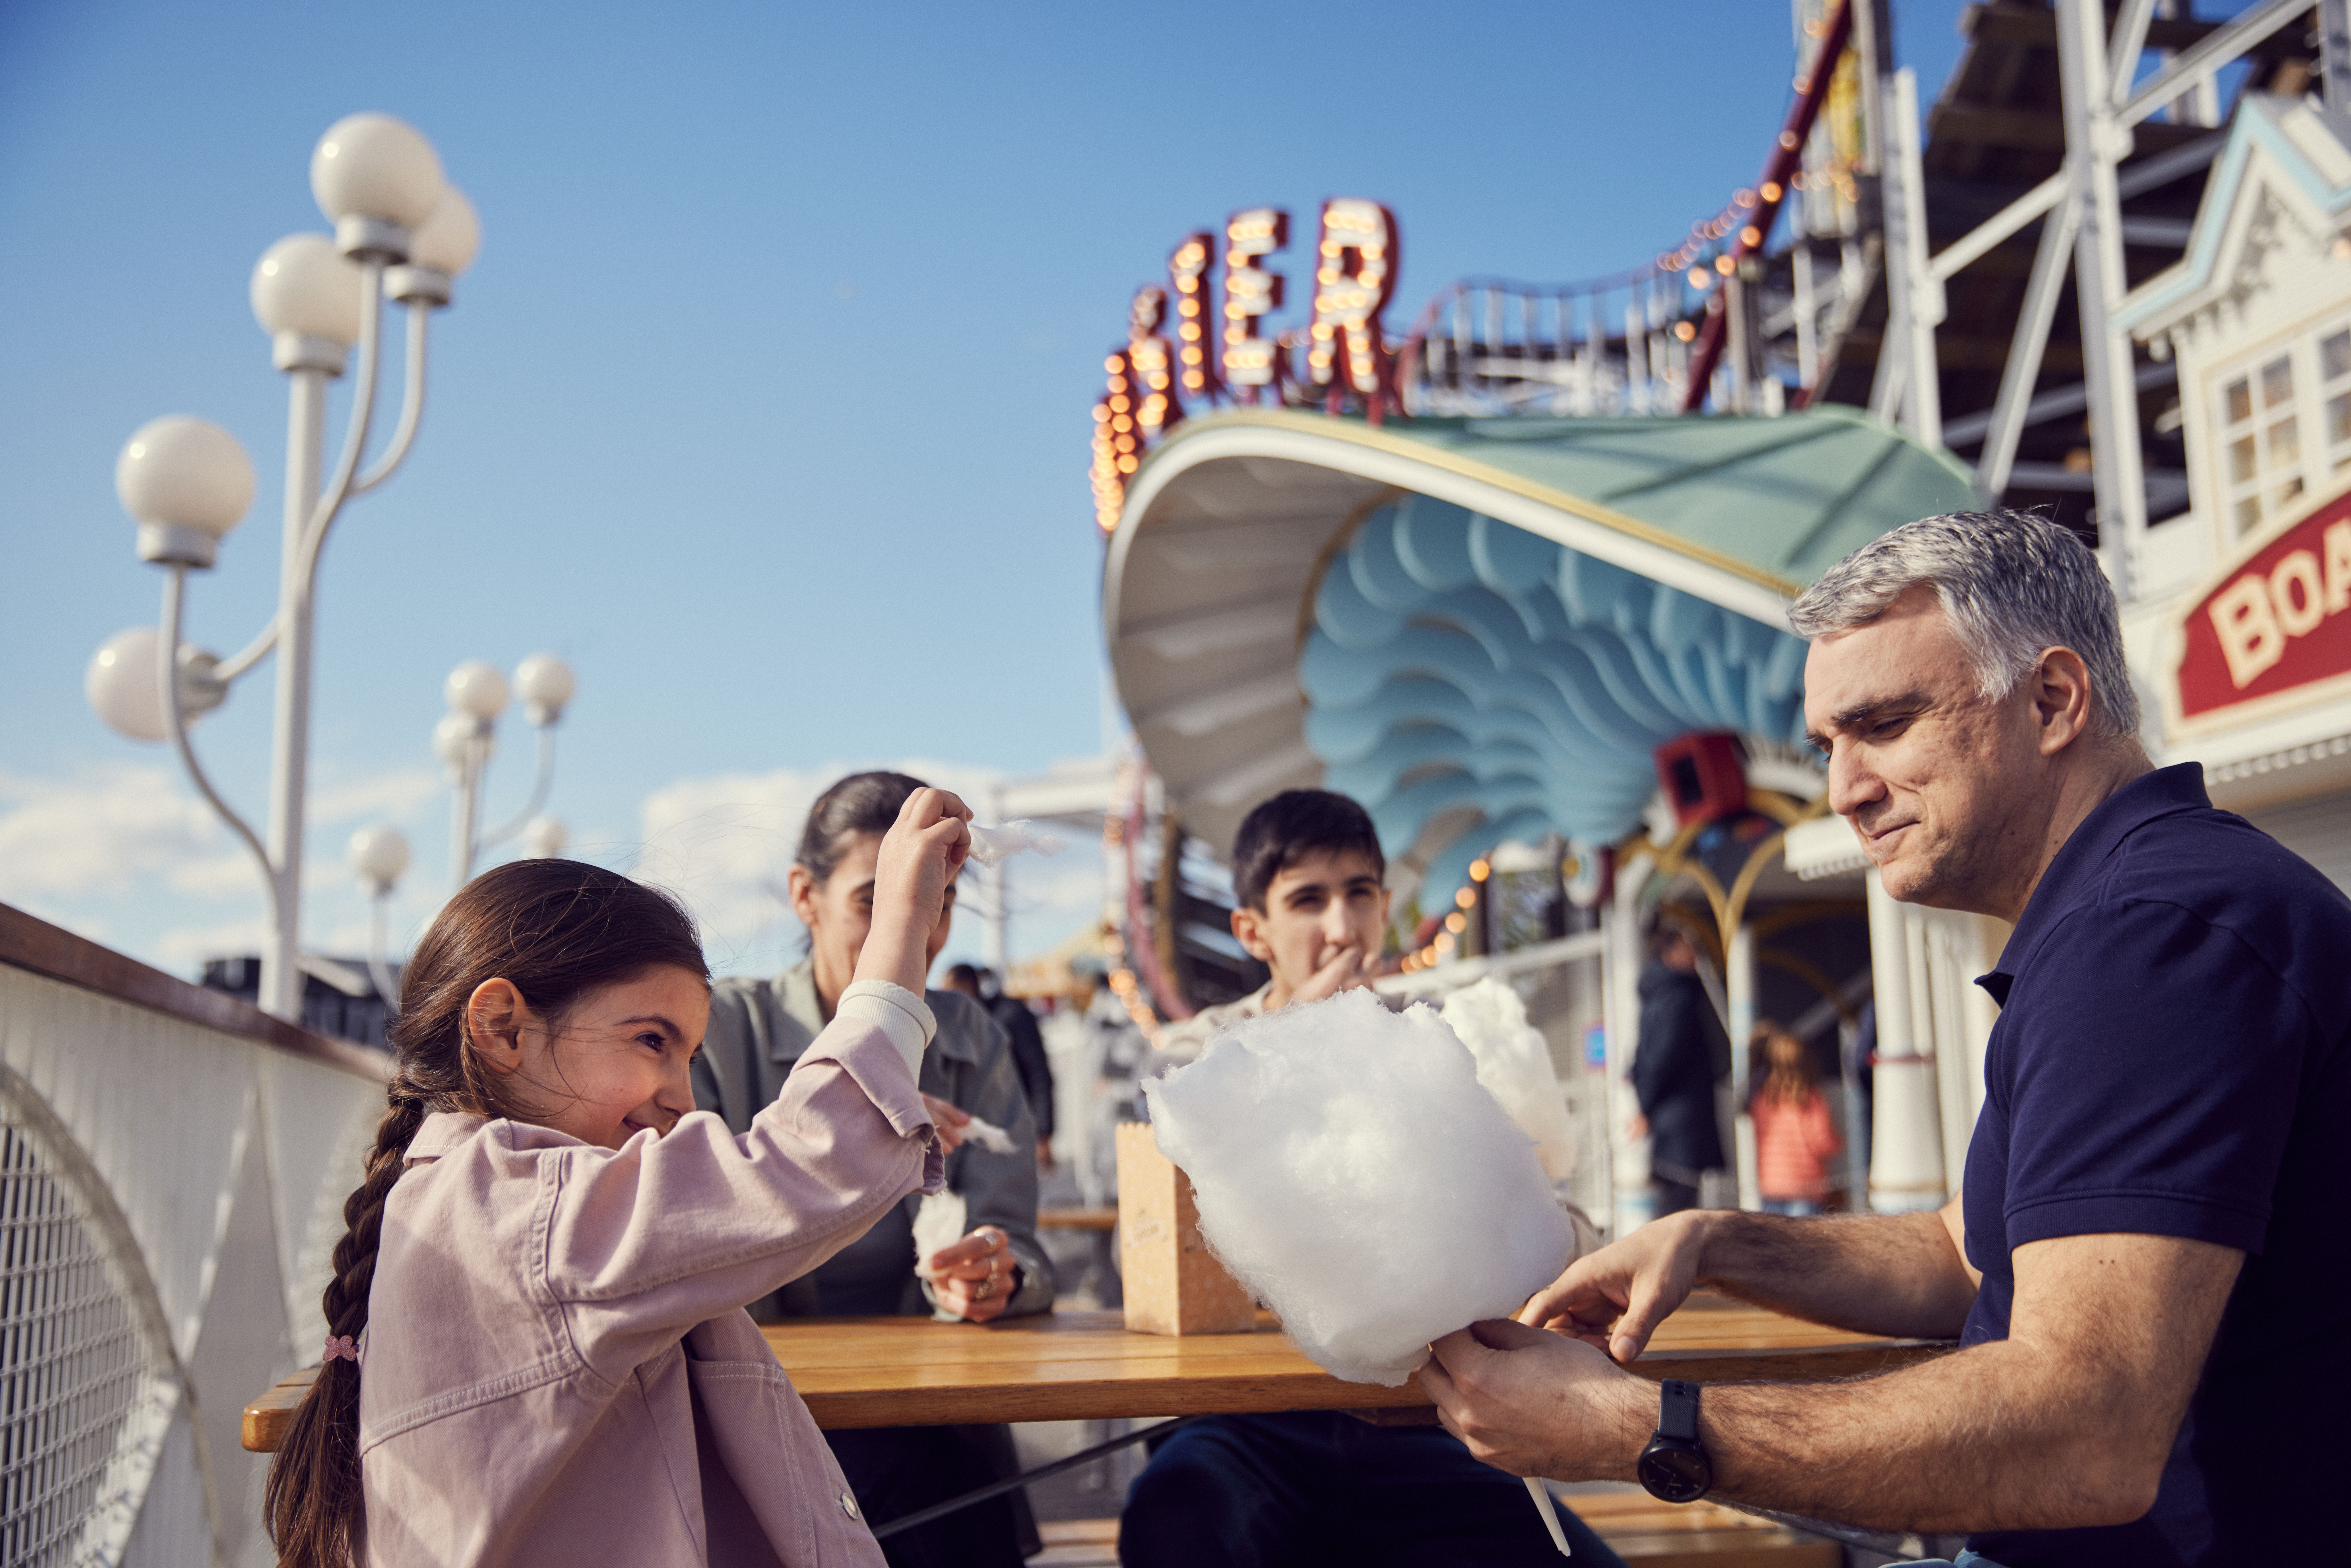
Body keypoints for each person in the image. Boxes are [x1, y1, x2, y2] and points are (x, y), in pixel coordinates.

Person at [1422, 510, 2351, 1566]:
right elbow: (1968, 1249)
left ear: (2051, 699)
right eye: (1826, 743)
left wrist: (1637, 1426)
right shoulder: (2135, 909)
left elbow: (2085, 1427)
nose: (1842, 790)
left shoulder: (2148, 939)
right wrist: (1719, 1242)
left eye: (1884, 724)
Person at [263, 789, 971, 1568]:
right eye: (651, 1040)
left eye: (690, 1056)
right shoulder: (516, 1210)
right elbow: (811, 1163)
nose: (683, 1097)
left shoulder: (464, 1192)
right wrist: (900, 926)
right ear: (503, 1029)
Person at [1121, 788, 1624, 1568]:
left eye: (1359, 894)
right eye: (1308, 901)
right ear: (1253, 930)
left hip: (1421, 1419)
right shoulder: (1197, 1066)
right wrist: (1295, 1046)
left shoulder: (1440, 1044)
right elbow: (1147, 1254)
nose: (1340, 926)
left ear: (1385, 905)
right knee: (1176, 1517)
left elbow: (1562, 1233)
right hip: (1250, 1423)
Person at [692, 771, 1051, 1568]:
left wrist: (993, 1276)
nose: (916, 931)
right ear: (803, 895)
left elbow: (1021, 1245)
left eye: (939, 902)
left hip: (927, 1420)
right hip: (756, 1419)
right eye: (879, 901)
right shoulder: (718, 1030)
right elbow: (694, 1233)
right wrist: (861, 1111)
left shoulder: (975, 1040)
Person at [1629, 918, 1728, 1216]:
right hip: (1682, 1118)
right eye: (1689, 948)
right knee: (1680, 1207)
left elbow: (1644, 1055)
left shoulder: (1655, 994)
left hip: (1666, 1116)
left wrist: (1645, 1102)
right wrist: (1645, 1106)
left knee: (1673, 1200)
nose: (1695, 955)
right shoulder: (1679, 996)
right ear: (1669, 953)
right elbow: (1664, 1054)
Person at [944, 962, 1055, 1167]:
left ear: (967, 986)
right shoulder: (964, 1025)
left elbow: (1038, 1074)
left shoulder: (1010, 1016)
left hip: (1016, 1131)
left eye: (951, 992)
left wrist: (1043, 1135)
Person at [1744, 1022, 1840, 1217]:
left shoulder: (1762, 1099)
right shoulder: (1811, 1100)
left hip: (1771, 1185)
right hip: (1807, 1187)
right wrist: (1840, 1142)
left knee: (1773, 1244)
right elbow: (1824, 1143)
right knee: (1802, 1244)